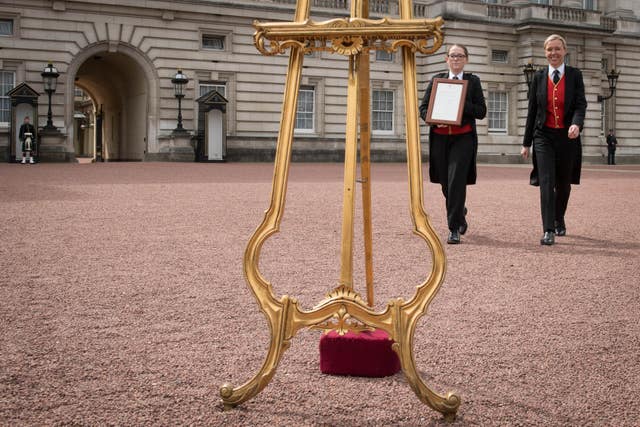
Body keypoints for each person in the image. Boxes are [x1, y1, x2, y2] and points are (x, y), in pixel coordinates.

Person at [521, 34, 587, 246]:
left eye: (557, 49)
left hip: (568, 137)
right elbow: (532, 111)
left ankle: (559, 218)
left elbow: (580, 104)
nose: (554, 53)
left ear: (565, 51)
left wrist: (576, 123)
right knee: (547, 182)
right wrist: (526, 143)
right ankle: (548, 229)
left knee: (564, 184)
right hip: (544, 136)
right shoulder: (539, 77)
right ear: (545, 52)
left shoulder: (575, 75)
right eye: (550, 49)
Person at [419, 43, 486, 244]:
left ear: (466, 59)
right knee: (445, 182)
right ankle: (460, 211)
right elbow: (423, 109)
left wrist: (460, 100)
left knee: (456, 179)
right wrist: (432, 119)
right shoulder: (436, 80)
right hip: (440, 138)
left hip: (463, 138)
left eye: (460, 55)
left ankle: (454, 228)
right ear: (446, 59)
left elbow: (481, 111)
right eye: (452, 55)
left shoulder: (473, 81)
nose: (456, 59)